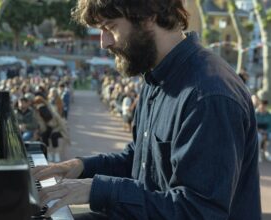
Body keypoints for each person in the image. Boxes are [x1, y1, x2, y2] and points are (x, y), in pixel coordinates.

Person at [32, 0, 261, 219]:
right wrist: (79, 167)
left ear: (148, 15)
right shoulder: (155, 76)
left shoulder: (209, 95)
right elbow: (140, 160)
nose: (104, 42)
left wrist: (96, 189)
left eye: (110, 27)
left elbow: (197, 212)